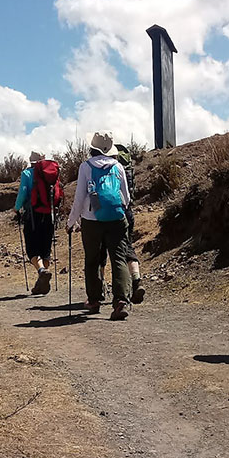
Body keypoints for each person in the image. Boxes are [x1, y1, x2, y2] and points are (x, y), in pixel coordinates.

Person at [66, 132, 133, 321]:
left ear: (92, 147)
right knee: (118, 258)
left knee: (92, 260)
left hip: (91, 220)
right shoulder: (118, 166)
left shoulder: (85, 167)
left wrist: (71, 222)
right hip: (117, 219)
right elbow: (126, 198)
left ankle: (94, 300)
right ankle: (120, 301)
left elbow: (79, 198)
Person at [98, 144, 145, 303]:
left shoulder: (108, 168)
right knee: (127, 247)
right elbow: (128, 194)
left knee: (102, 249)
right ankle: (136, 280)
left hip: (109, 214)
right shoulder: (127, 167)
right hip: (127, 212)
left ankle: (100, 287)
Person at [14, 151, 57, 295]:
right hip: (49, 214)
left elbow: (23, 192)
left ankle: (41, 271)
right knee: (45, 248)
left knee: (32, 248)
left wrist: (16, 208)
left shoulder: (27, 174)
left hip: (32, 215)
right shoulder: (51, 173)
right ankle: (41, 282)